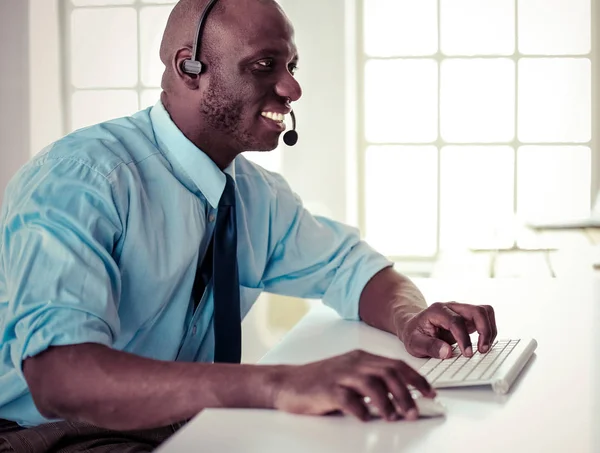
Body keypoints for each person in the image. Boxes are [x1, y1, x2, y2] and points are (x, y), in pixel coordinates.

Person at [0, 0, 497, 451]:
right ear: (188, 68)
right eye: (264, 65)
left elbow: (355, 268)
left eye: (291, 66)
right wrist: (278, 384)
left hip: (183, 423)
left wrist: (409, 319)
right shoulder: (83, 180)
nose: (292, 87)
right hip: (53, 434)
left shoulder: (255, 194)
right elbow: (59, 377)